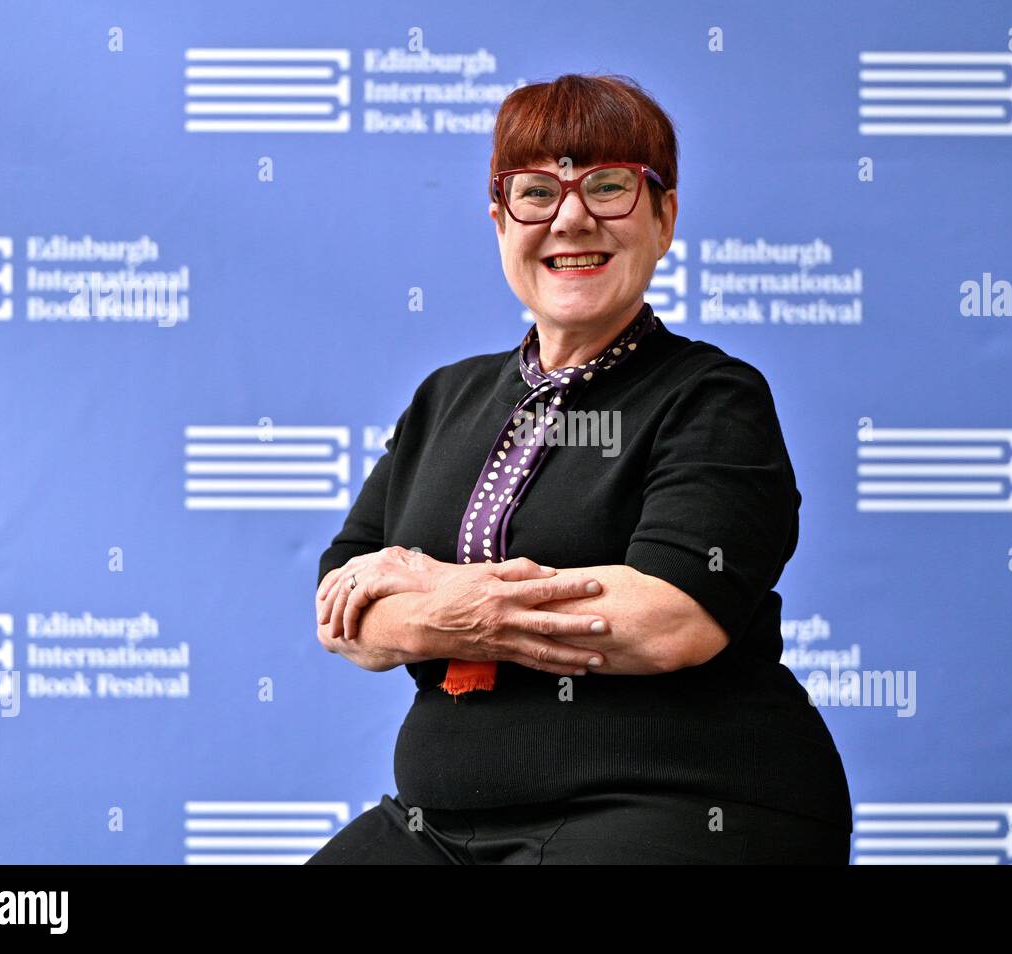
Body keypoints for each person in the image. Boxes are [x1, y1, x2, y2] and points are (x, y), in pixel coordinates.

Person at [307, 73, 852, 864]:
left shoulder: (711, 397)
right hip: (439, 825)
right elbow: (341, 595)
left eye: (608, 187)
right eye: (536, 192)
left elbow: (671, 617)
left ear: (665, 218)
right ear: (499, 221)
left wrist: (433, 590)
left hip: (679, 802)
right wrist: (441, 610)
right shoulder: (445, 396)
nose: (571, 217)